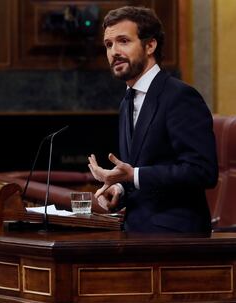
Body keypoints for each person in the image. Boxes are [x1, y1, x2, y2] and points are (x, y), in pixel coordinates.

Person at [87, 6, 218, 233]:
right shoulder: (127, 101)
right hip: (134, 234)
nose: (113, 52)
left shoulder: (179, 96)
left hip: (175, 239)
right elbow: (140, 169)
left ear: (150, 45)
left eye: (123, 41)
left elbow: (202, 171)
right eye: (108, 45)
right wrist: (119, 189)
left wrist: (133, 175)